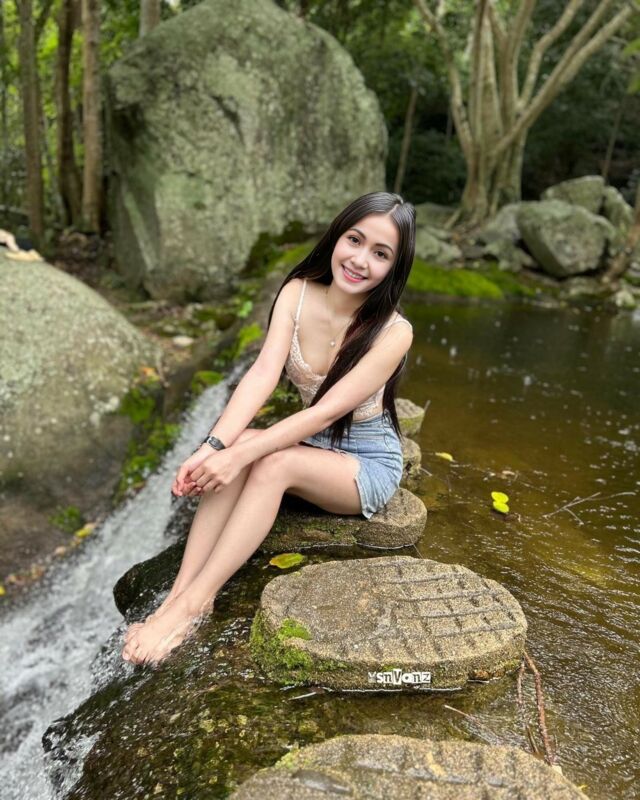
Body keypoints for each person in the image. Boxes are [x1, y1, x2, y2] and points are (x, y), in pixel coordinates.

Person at [121, 191, 415, 666]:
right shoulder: (297, 292)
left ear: (394, 268)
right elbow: (262, 373)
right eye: (355, 240)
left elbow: (324, 413)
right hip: (311, 443)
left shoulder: (393, 332)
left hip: (365, 462)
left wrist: (238, 456)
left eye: (380, 254)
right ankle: (177, 595)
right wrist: (214, 446)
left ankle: (196, 604)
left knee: (269, 462)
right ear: (336, 237)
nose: (360, 260)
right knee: (242, 445)